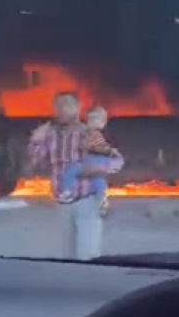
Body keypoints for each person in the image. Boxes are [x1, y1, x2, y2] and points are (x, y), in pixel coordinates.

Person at [27, 91, 124, 259]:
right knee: (68, 257)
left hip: (87, 201)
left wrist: (96, 169)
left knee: (88, 255)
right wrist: (36, 140)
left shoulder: (89, 134)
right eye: (59, 106)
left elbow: (117, 161)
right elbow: (35, 160)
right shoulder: (50, 136)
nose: (63, 110)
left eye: (68, 105)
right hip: (62, 204)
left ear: (78, 108)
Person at [58, 105, 118, 215]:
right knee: (97, 181)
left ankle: (68, 193)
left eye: (97, 120)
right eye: (91, 120)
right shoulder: (91, 134)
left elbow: (93, 147)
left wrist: (106, 152)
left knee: (71, 171)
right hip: (92, 162)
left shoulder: (94, 135)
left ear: (103, 123)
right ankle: (99, 202)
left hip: (94, 162)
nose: (93, 123)